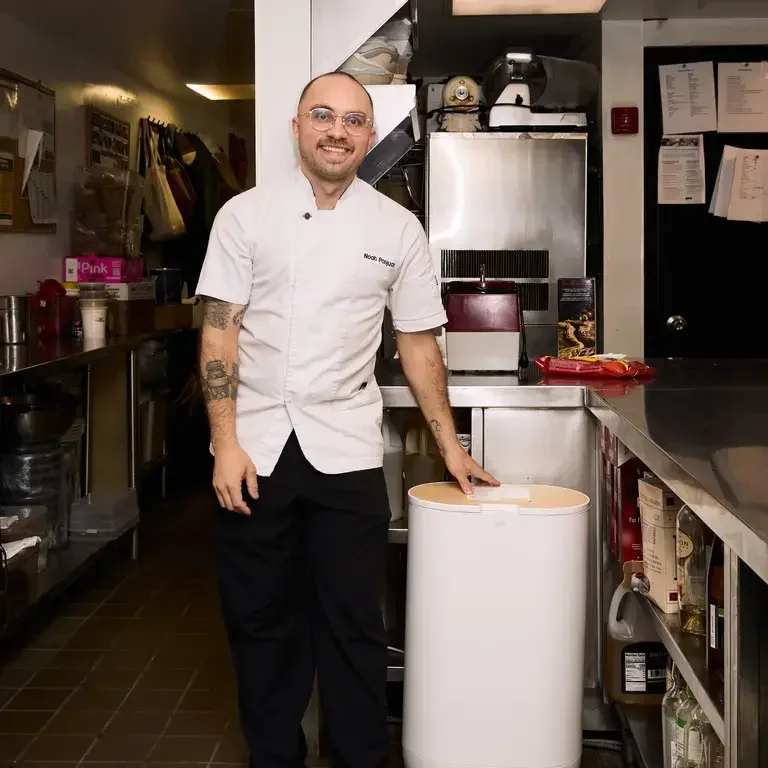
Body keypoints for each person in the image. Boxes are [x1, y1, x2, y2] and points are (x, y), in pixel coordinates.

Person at [196, 71, 499, 768]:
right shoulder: (243, 216)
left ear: (370, 136)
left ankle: (358, 758)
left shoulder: (396, 227)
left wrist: (451, 445)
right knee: (261, 621)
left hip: (349, 451)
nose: (337, 130)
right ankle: (276, 757)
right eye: (323, 115)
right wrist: (225, 444)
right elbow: (219, 332)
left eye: (354, 120)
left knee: (355, 624)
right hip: (256, 449)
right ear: (297, 127)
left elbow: (421, 343)